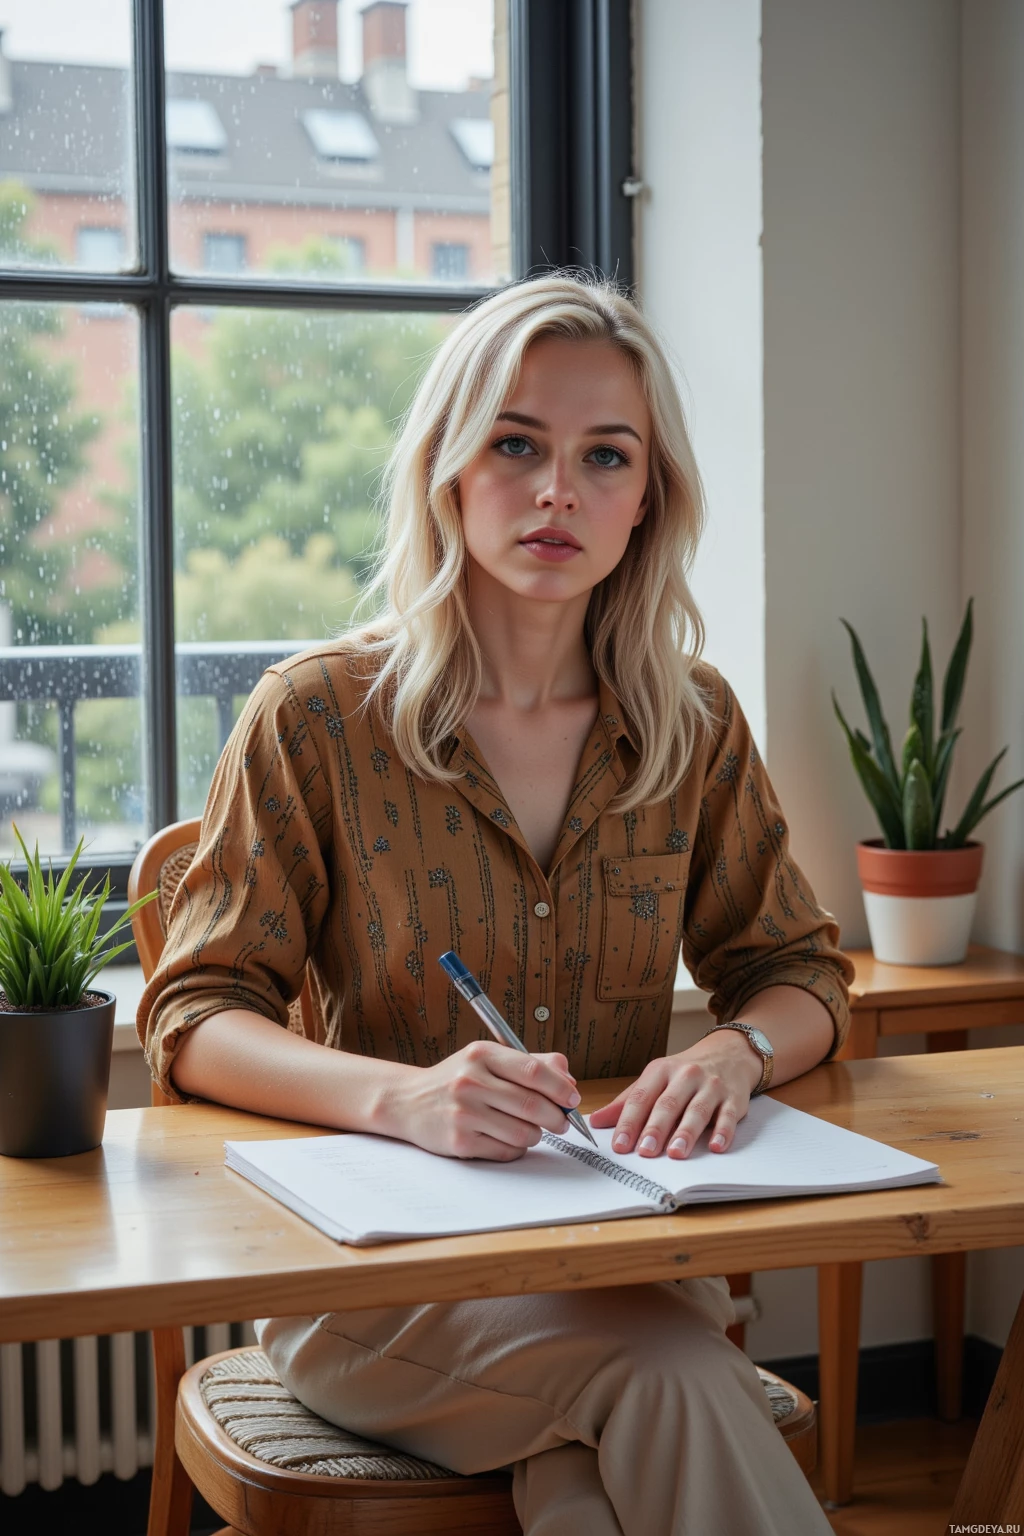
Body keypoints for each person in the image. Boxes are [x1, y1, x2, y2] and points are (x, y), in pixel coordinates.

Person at [138, 273, 853, 1534]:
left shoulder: (689, 725)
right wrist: (402, 1098)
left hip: (625, 1266)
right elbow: (196, 1012)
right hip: (379, 1293)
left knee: (588, 1495)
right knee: (671, 1378)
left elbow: (797, 968)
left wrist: (740, 1054)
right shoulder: (315, 718)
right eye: (516, 444)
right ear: (448, 470)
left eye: (605, 456)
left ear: (648, 501)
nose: (557, 491)